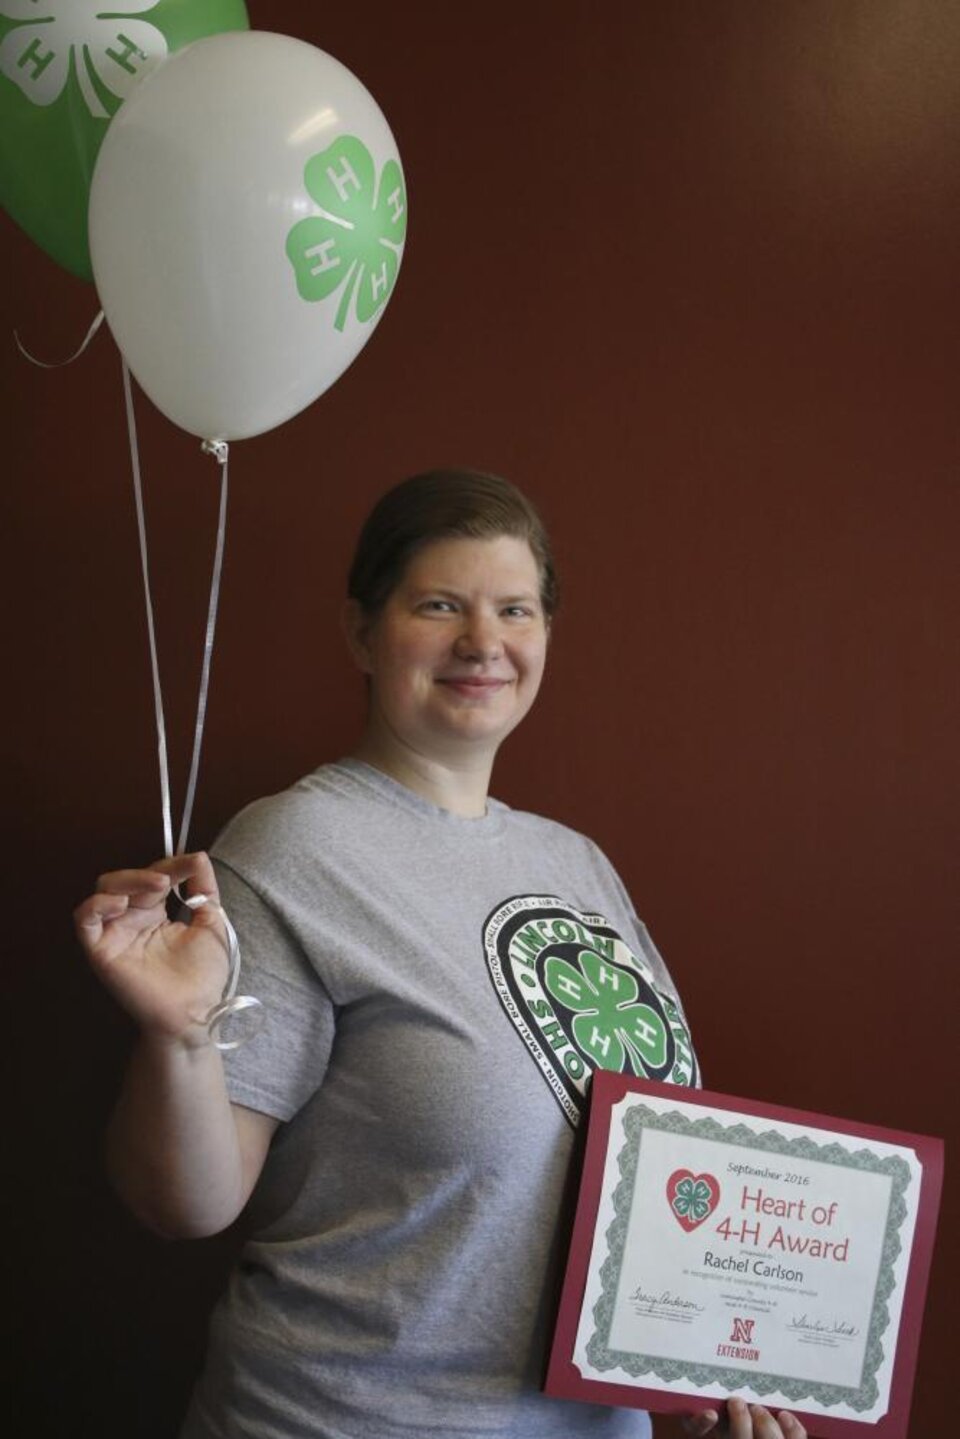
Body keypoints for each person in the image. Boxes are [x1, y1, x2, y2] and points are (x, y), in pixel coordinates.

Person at [75, 471, 806, 1439]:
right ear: (360, 633)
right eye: (438, 605)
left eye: (515, 608)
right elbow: (183, 1201)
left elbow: (651, 1181)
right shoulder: (296, 846)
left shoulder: (574, 863)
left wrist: (704, 1386)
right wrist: (178, 1035)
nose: (483, 642)